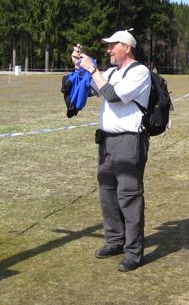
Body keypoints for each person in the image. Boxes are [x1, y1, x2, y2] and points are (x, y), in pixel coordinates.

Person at [72, 30, 151, 273]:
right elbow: (89, 89)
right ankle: (115, 240)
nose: (108, 50)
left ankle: (133, 252)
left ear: (127, 47)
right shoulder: (111, 72)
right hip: (107, 142)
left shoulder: (140, 72)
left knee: (129, 196)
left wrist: (92, 69)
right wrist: (79, 65)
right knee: (107, 193)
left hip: (130, 141)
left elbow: (113, 95)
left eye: (112, 45)